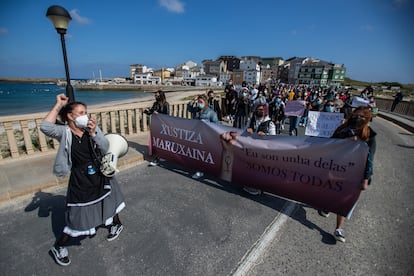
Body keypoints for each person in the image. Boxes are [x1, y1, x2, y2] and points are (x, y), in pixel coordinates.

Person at [40, 94, 126, 266]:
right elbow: (45, 127)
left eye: (86, 112)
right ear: (70, 116)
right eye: (81, 112)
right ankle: (59, 246)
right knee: (77, 216)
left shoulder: (91, 129)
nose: (85, 116)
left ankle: (117, 224)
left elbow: (105, 146)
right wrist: (58, 105)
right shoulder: (64, 132)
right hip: (80, 178)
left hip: (99, 173)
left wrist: (94, 133)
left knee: (108, 200)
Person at [318, 106, 377, 243]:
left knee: (344, 199)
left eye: (362, 116)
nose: (359, 118)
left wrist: (366, 178)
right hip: (335, 168)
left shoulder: (369, 135)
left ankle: (339, 228)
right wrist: (344, 141)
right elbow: (330, 144)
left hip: (354, 173)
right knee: (331, 192)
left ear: (367, 119)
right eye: (357, 115)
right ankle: (326, 206)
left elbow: (370, 158)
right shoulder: (342, 129)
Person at [243, 104, 276, 195]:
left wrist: (265, 135)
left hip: (262, 151)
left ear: (265, 111)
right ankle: (249, 185)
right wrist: (247, 130)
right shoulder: (251, 120)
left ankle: (258, 188)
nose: (259, 111)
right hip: (251, 148)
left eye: (261, 110)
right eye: (257, 109)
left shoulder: (270, 124)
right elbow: (244, 130)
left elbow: (273, 138)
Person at [187, 94, 218, 179]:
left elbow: (216, 125)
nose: (199, 103)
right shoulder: (196, 110)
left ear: (205, 102)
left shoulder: (211, 112)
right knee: (197, 152)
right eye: (198, 102)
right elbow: (188, 108)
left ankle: (201, 170)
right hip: (196, 135)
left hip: (206, 136)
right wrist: (193, 100)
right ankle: (200, 168)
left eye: (201, 102)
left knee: (203, 154)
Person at [145, 90, 170, 166]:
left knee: (161, 142)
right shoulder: (155, 104)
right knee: (157, 142)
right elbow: (150, 112)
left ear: (160, 96)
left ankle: (158, 158)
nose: (155, 97)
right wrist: (145, 111)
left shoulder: (166, 104)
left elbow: (167, 116)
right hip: (155, 125)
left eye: (156, 95)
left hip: (162, 125)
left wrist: (158, 114)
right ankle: (159, 155)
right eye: (155, 95)